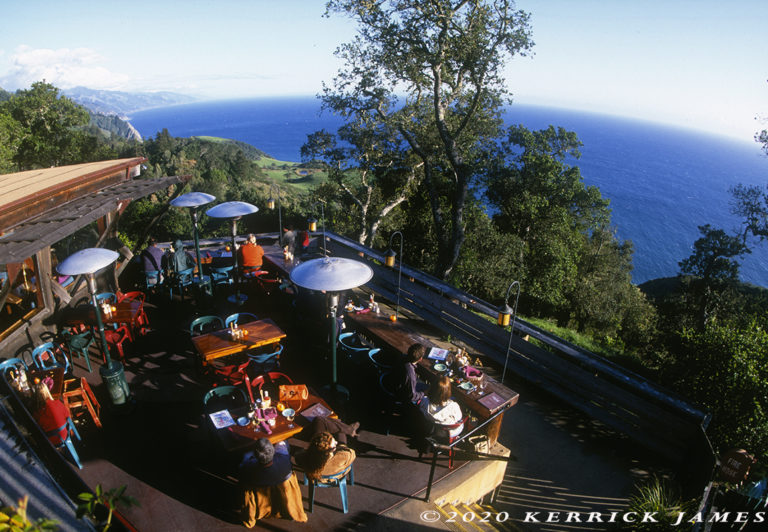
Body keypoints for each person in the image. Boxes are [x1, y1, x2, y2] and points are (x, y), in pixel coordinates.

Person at [239, 439, 307, 526]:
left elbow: (243, 466)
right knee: (284, 442)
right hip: (280, 481)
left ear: (256, 455)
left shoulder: (249, 469)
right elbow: (283, 445)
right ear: (273, 451)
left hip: (260, 486)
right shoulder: (285, 460)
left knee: (245, 455)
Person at [30, 380, 70, 445]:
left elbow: (39, 425)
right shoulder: (57, 402)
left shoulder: (41, 411)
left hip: (53, 440)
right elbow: (67, 415)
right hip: (66, 433)